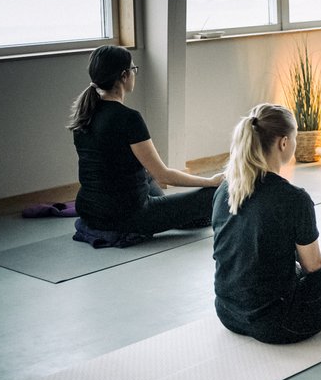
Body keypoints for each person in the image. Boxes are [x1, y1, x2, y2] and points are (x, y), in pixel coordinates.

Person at [211, 103, 321, 344]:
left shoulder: (225, 189)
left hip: (227, 313)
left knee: (281, 256)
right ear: (284, 143)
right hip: (277, 325)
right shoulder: (293, 198)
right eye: (294, 138)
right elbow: (314, 267)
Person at [68, 45, 222, 237]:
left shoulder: (85, 113)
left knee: (146, 175)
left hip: (89, 210)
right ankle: (175, 215)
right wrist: (210, 181)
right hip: (128, 216)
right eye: (133, 69)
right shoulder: (129, 118)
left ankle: (173, 214)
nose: (135, 73)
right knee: (216, 193)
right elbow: (164, 176)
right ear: (124, 75)